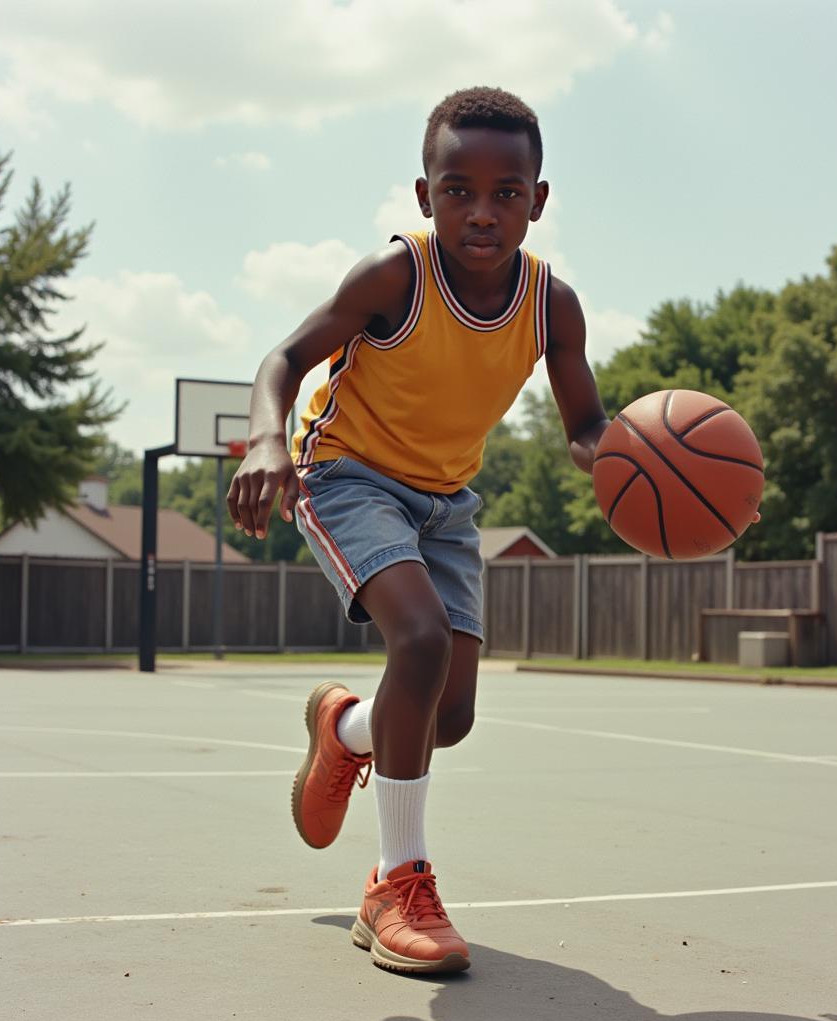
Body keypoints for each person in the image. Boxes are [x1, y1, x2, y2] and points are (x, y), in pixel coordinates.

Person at [227, 86, 610, 975]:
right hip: (349, 473)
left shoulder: (554, 305)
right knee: (422, 641)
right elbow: (283, 359)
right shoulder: (394, 276)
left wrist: (628, 459)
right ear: (423, 194)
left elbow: (585, 424)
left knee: (454, 715)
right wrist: (262, 443)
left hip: (446, 502)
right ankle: (397, 882)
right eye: (458, 189)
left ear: (538, 200)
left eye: (506, 192)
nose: (482, 211)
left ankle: (346, 729)